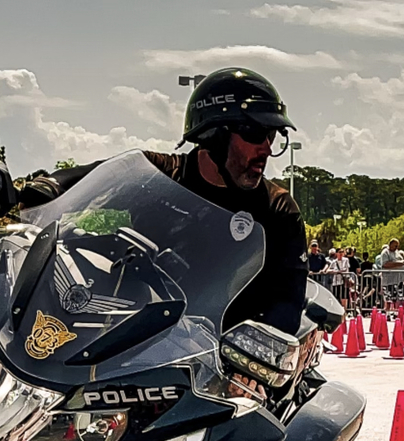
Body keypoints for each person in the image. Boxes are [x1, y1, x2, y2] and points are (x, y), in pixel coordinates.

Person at [20, 67, 308, 338]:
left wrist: (249, 350)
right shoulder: (155, 176)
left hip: (219, 359)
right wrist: (47, 188)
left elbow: (287, 305)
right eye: (255, 134)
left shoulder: (277, 209)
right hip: (126, 342)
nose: (266, 148)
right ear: (215, 135)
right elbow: (92, 177)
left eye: (272, 135)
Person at [379, 238, 404, 312]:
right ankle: (387, 313)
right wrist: (399, 263)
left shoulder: (397, 252)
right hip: (388, 280)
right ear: (390, 244)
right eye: (395, 246)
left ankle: (395, 313)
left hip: (397, 280)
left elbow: (401, 260)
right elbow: (385, 264)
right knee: (388, 300)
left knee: (397, 299)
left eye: (397, 246)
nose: (396, 247)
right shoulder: (385, 253)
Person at [326, 247, 351, 313]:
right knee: (336, 298)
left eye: (342, 252)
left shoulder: (346, 260)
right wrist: (335, 271)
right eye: (339, 252)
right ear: (336, 253)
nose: (341, 254)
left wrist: (340, 271)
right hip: (336, 282)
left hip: (344, 281)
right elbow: (328, 270)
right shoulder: (334, 262)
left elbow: (345, 269)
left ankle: (345, 312)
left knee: (344, 297)